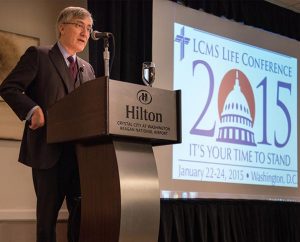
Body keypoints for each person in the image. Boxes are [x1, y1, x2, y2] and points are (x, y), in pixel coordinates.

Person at [0, 6, 95, 242]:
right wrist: (32, 109)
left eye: (89, 28)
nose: (85, 32)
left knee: (81, 219)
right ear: (62, 27)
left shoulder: (88, 69)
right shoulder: (39, 56)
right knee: (46, 224)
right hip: (48, 152)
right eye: (79, 25)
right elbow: (9, 87)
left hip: (80, 155)